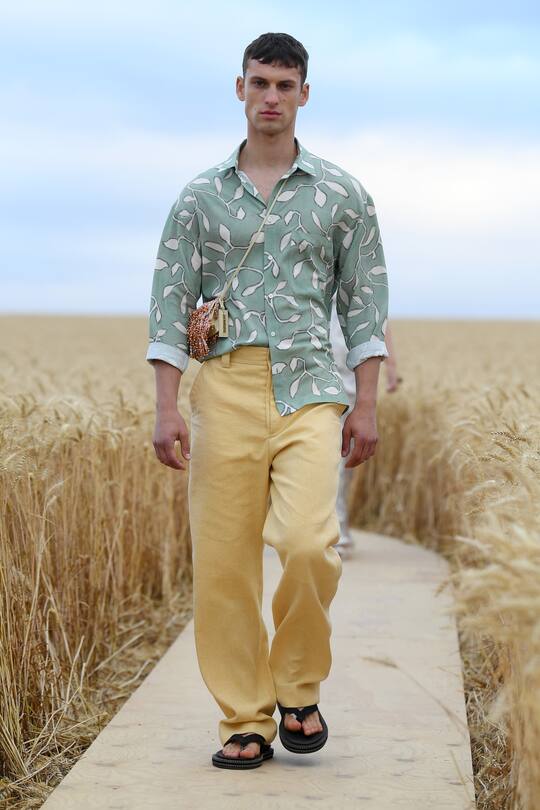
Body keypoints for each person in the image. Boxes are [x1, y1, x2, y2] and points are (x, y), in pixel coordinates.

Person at [145, 32, 390, 770]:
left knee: (311, 541)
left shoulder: (343, 195)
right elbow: (168, 306)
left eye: (285, 85)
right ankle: (244, 718)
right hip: (224, 391)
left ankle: (298, 685)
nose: (272, 97)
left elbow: (366, 307)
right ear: (240, 89)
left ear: (304, 94)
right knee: (223, 567)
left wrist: (367, 405)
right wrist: (167, 407)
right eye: (260, 83)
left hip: (311, 389)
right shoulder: (198, 198)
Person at [330, 302, 402, 558]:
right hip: (317, 374)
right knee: (328, 461)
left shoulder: (355, 278)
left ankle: (339, 531)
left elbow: (376, 319)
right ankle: (334, 534)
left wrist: (391, 366)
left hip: (351, 377)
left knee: (342, 462)